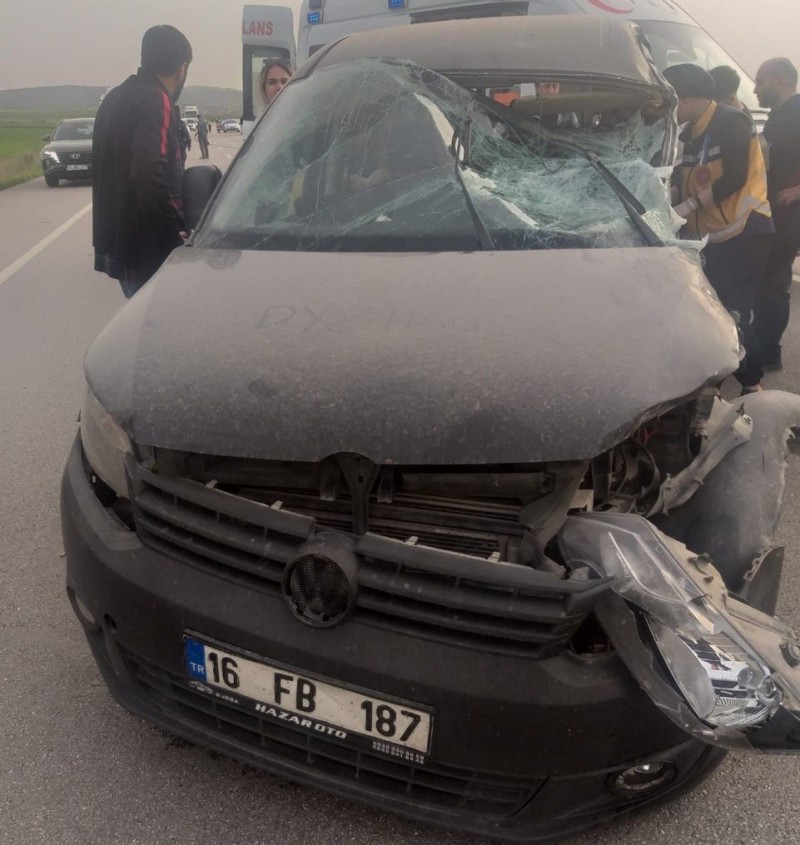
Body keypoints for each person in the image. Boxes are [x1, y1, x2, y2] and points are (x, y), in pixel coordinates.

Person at [665, 63, 773, 394]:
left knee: (734, 312)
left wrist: (690, 205)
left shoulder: (731, 121)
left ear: (685, 99)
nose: (671, 113)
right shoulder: (691, 133)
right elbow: (684, 178)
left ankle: (752, 385)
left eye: (672, 103)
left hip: (744, 231)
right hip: (712, 236)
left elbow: (736, 176)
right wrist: (669, 202)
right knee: (709, 309)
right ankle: (714, 376)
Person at [92, 25, 192, 299]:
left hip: (118, 246)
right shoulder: (156, 99)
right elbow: (148, 172)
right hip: (148, 249)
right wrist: (172, 240)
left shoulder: (113, 98)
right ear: (182, 68)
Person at [753, 57, 800, 371]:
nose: (756, 89)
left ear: (779, 80)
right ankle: (759, 345)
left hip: (787, 214)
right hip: (770, 211)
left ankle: (769, 353)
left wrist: (798, 190)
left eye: (761, 82)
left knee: (773, 284)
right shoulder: (779, 116)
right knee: (764, 281)